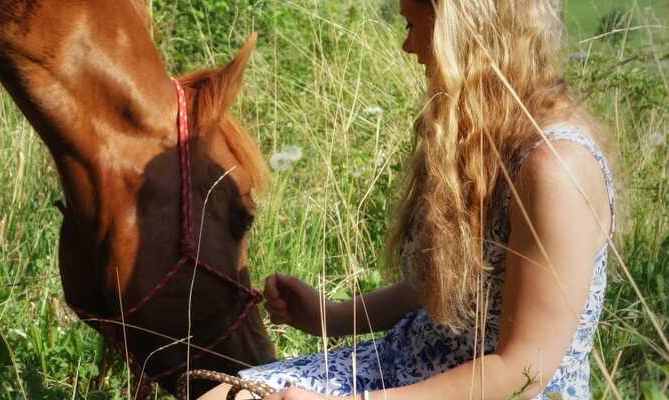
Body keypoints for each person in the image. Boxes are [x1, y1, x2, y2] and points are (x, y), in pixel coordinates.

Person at [200, 0, 616, 399]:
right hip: (411, 362)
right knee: (223, 396)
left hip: (488, 389)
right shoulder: (488, 133)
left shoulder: (553, 167)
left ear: (459, 31)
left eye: (413, 25)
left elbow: (523, 370)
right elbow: (452, 292)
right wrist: (332, 317)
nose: (408, 46)